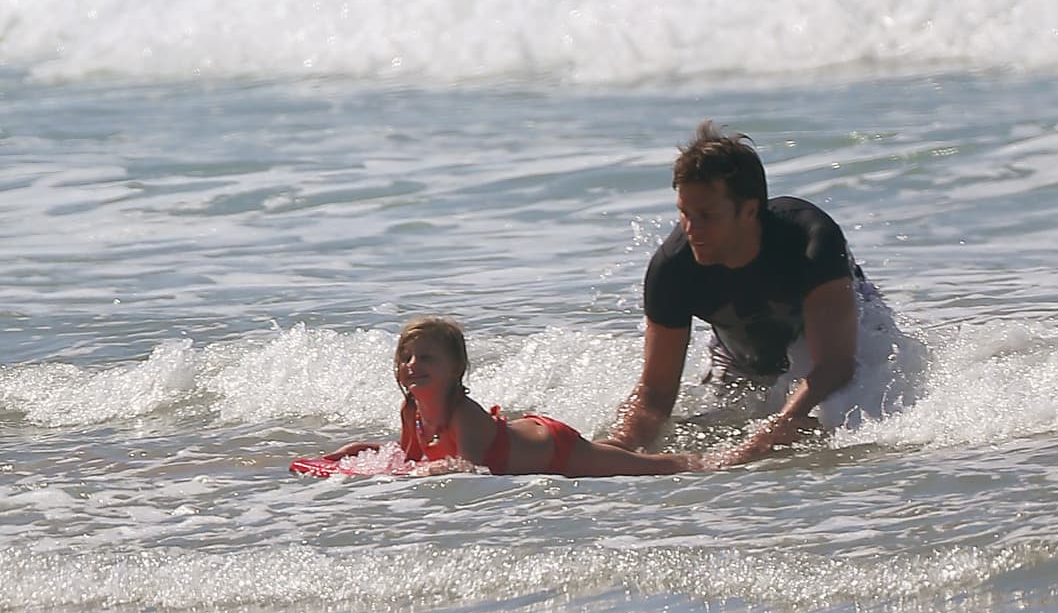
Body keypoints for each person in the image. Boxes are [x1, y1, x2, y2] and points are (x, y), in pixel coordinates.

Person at [600, 119, 879, 466]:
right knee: (718, 428)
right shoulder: (672, 270)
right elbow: (656, 394)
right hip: (742, 352)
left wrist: (775, 429)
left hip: (846, 338)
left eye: (706, 215)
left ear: (748, 210)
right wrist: (620, 448)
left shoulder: (809, 239)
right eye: (684, 213)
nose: (692, 229)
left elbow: (836, 364)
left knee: (838, 421)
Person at [322, 317, 706, 478]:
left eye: (425, 357)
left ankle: (705, 463)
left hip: (554, 448)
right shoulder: (413, 411)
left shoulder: (464, 415)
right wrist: (357, 451)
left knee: (644, 468)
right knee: (617, 456)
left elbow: (470, 469)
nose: (412, 364)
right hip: (523, 441)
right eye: (405, 357)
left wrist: (419, 475)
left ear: (455, 368)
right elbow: (410, 456)